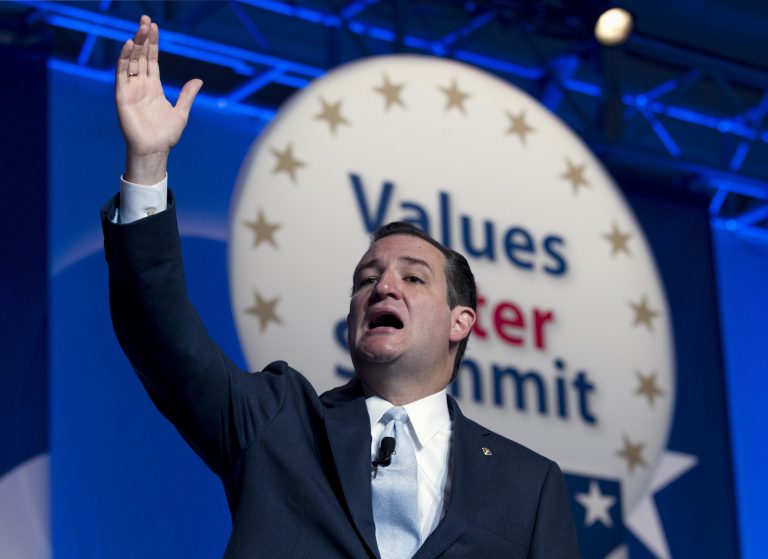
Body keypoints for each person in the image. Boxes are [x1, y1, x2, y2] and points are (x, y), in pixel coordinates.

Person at [102, 15, 581, 559]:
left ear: (460, 321)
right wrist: (146, 163)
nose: (384, 288)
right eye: (367, 280)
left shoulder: (529, 484)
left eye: (413, 277)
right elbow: (160, 334)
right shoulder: (278, 422)